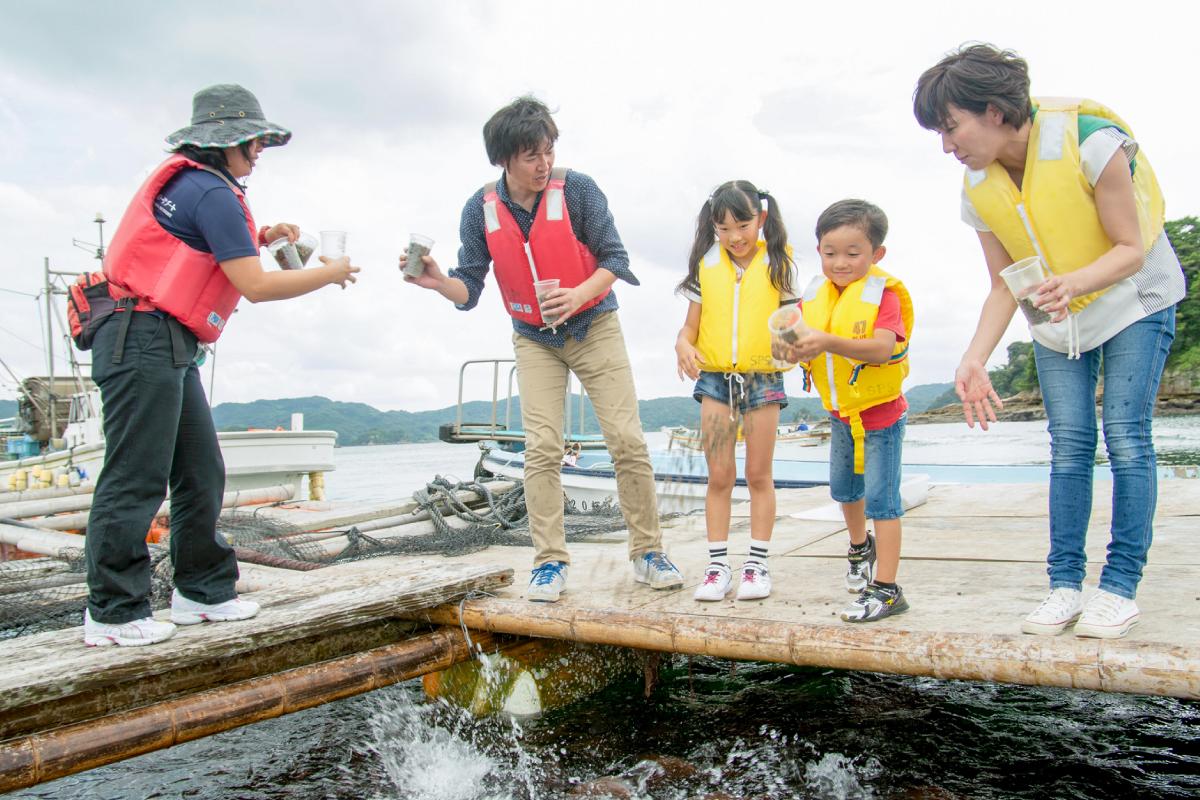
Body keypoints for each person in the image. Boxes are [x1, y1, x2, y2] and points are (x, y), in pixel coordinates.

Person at [914, 45, 1184, 639]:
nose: (946, 144)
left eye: (951, 126)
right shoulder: (977, 187)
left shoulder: (1092, 142)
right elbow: (1003, 286)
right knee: (1069, 445)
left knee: (1126, 437)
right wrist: (974, 357)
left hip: (1136, 297)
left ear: (994, 111)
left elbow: (1131, 248)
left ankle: (1118, 589)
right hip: (1061, 317)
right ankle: (1065, 585)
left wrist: (1075, 284)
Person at [83, 84, 360, 647]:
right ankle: (112, 612)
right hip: (141, 338)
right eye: (253, 140)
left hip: (166, 342)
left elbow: (203, 243)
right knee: (135, 477)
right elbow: (254, 285)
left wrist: (262, 233)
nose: (259, 149)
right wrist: (330, 273)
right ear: (223, 144)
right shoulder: (208, 190)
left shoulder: (200, 187)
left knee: (200, 470)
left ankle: (202, 592)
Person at [401, 95, 683, 603]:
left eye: (548, 151)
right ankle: (549, 562)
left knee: (626, 440)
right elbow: (469, 290)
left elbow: (616, 259)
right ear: (504, 158)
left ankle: (648, 551)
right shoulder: (479, 209)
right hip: (534, 339)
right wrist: (439, 281)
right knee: (542, 449)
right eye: (531, 155)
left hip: (595, 325)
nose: (543, 164)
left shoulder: (579, 190)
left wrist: (578, 293)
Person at [780, 200, 913, 622]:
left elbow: (882, 347)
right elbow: (791, 346)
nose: (840, 263)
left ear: (877, 254)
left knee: (882, 501)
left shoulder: (884, 293)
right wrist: (784, 346)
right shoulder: (814, 296)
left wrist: (827, 343)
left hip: (881, 417)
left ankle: (889, 589)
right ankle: (860, 546)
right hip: (840, 415)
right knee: (844, 490)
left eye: (853, 254)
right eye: (829, 252)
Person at [674, 181, 795, 602]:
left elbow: (792, 328)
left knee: (759, 475)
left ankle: (757, 565)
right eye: (723, 228)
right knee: (720, 475)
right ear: (713, 226)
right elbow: (690, 327)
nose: (735, 237)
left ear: (761, 219)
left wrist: (803, 356)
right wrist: (682, 344)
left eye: (743, 225)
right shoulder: (705, 266)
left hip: (763, 380)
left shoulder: (779, 263)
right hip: (715, 382)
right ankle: (717, 566)